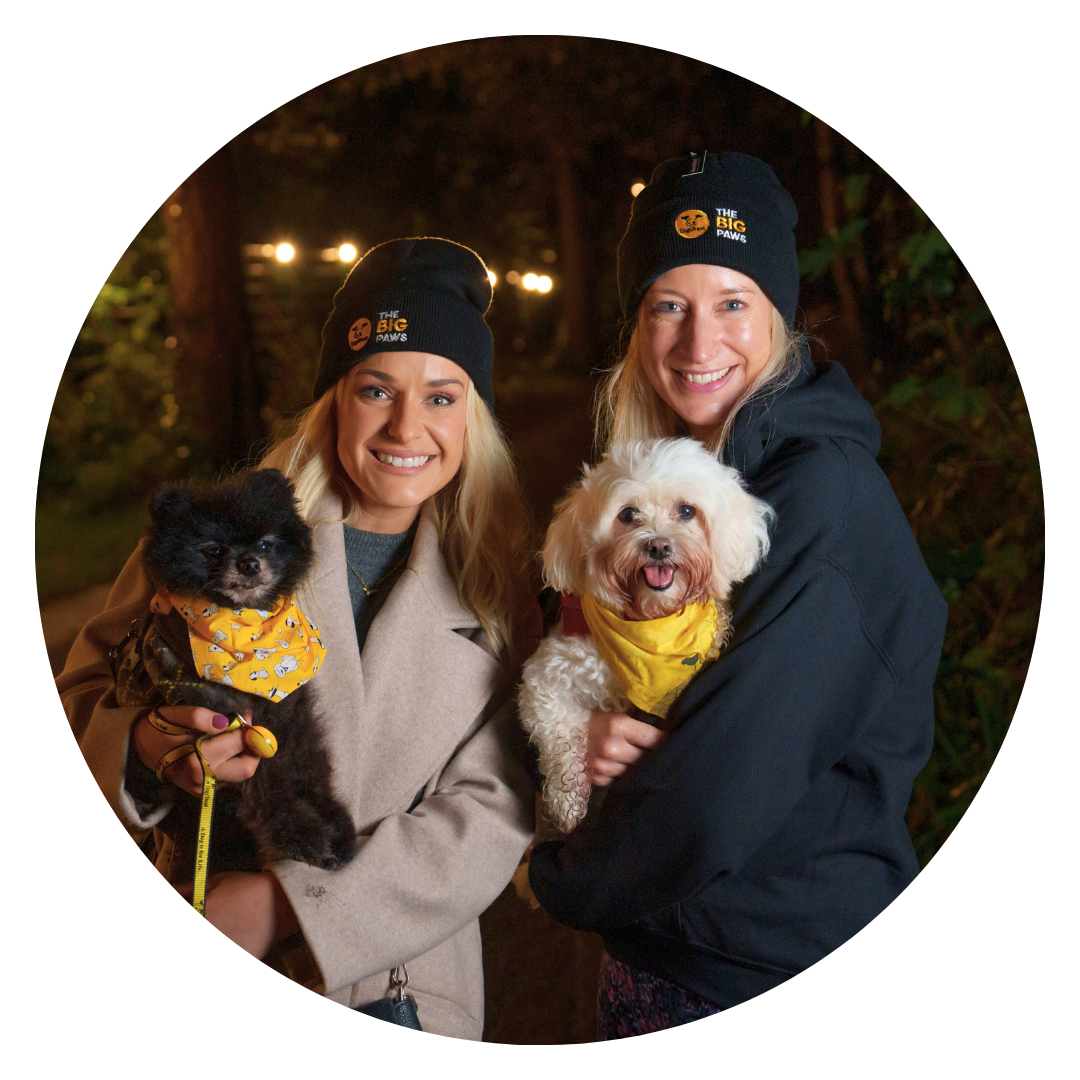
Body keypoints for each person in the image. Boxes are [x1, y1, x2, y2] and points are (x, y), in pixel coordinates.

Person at [57, 238, 538, 1040]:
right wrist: (146, 747)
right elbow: (83, 695)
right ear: (335, 398)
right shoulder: (213, 540)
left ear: (472, 418)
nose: (407, 426)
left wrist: (290, 905)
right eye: (377, 389)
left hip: (397, 982)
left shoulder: (497, 589)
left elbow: (494, 810)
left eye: (442, 396)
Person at [527, 152, 948, 1038]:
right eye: (668, 305)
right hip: (669, 945)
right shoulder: (684, 475)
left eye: (731, 303)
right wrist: (590, 724)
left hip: (766, 957)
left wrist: (558, 876)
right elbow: (581, 650)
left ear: (779, 316)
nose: (697, 344)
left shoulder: (821, 495)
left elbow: (721, 781)